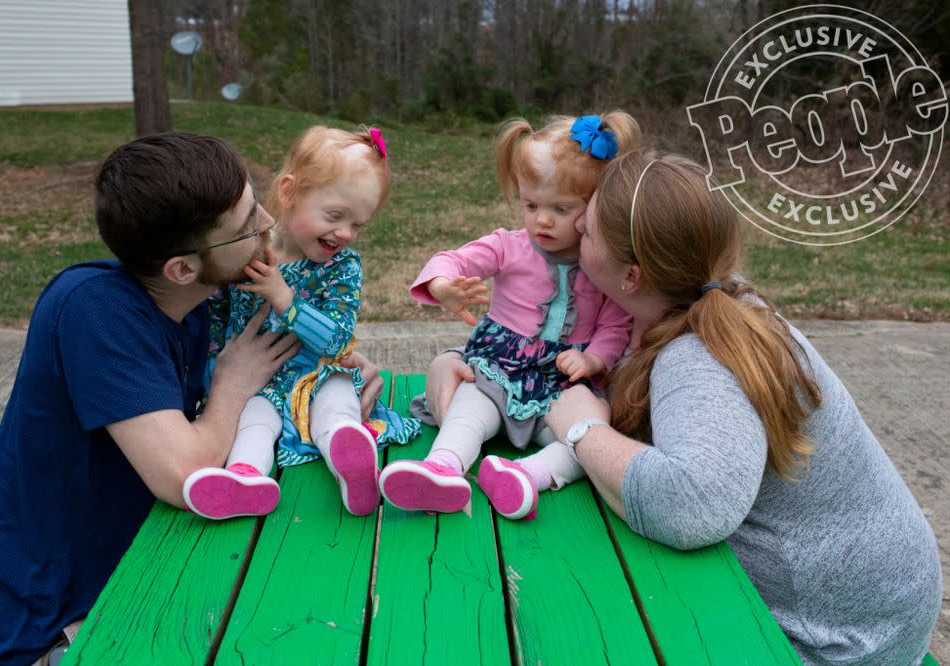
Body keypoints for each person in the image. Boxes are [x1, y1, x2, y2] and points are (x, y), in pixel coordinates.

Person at [426, 150, 943, 664]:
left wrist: (581, 430)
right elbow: (541, 343)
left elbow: (691, 505)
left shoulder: (699, 359)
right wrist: (462, 361)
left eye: (588, 229)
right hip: (864, 607)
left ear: (630, 276)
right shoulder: (684, 303)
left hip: (840, 641)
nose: (577, 223)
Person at [0, 132, 384, 666]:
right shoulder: (93, 312)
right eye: (248, 226)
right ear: (182, 268)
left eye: (256, 206)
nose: (269, 226)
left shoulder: (202, 297)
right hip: (48, 632)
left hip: (138, 572)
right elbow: (186, 472)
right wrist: (232, 382)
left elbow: (297, 342)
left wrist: (336, 370)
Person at [378, 113, 637, 520]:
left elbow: (615, 323)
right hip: (499, 370)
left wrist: (593, 359)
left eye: (562, 208)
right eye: (531, 204)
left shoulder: (601, 264)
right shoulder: (509, 246)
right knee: (470, 406)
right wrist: (444, 284)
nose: (542, 220)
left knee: (590, 433)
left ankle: (526, 476)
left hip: (564, 382)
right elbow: (456, 259)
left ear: (596, 206)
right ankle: (443, 467)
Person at [183, 126, 419, 520]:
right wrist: (214, 379)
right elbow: (218, 325)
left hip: (320, 374)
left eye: (357, 224)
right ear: (290, 192)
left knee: (338, 402)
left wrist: (286, 300)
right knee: (253, 421)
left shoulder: (342, 267)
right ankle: (244, 479)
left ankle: (351, 460)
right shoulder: (247, 256)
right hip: (259, 383)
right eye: (335, 216)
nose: (345, 233)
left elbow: (338, 340)